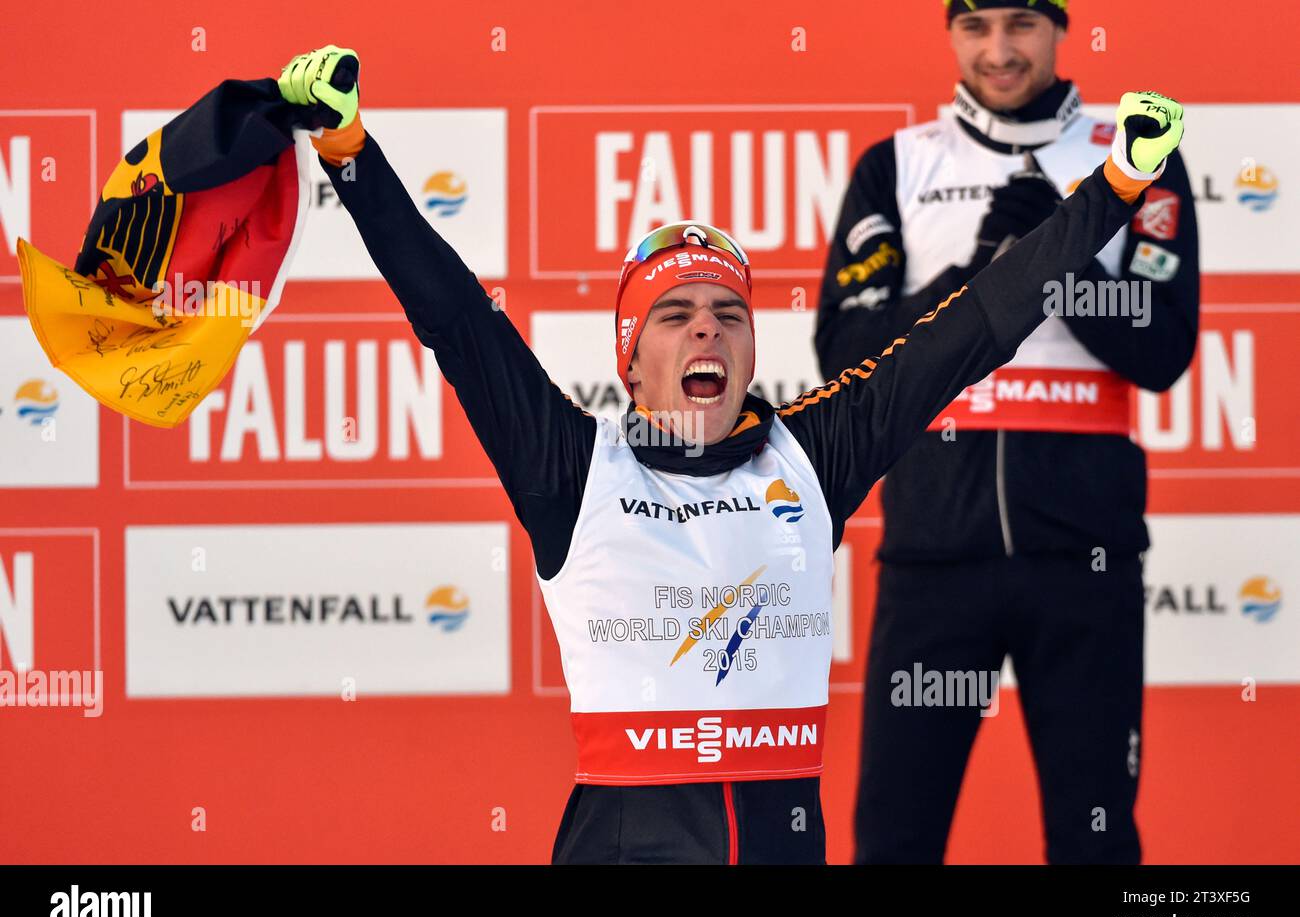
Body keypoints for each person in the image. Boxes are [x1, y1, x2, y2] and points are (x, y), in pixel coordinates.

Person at [278, 44, 1184, 865]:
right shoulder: (572, 469)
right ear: (630, 360)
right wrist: (352, 154)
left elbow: (982, 324)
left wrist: (1113, 187)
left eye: (730, 313)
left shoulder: (812, 454)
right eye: (675, 314)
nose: (706, 326)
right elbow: (455, 318)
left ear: (751, 350)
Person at [814, 0, 1200, 864]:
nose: (999, 49)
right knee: (895, 840)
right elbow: (843, 351)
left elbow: (1165, 348)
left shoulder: (1134, 158)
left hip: (1083, 562)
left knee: (1094, 840)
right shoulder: (898, 166)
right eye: (976, 24)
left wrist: (1052, 260)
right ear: (949, 33)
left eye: (1022, 23)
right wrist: (977, 273)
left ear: (1061, 29)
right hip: (933, 562)